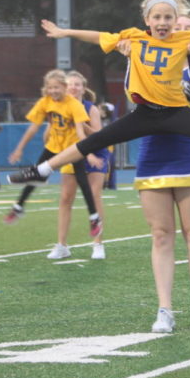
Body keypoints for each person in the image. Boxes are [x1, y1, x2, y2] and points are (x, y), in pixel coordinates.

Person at [8, 0, 190, 192]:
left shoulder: (184, 39)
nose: (162, 22)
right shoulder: (131, 37)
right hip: (145, 113)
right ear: (147, 20)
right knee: (94, 141)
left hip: (176, 111)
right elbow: (98, 37)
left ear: (175, 20)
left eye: (168, 17)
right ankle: (42, 171)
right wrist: (65, 32)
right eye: (157, 17)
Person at [135, 5, 190, 333]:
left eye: (186, 27)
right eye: (174, 24)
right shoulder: (145, 55)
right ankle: (164, 310)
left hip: (187, 152)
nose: (175, 28)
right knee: (160, 235)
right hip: (153, 152)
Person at [4, 69, 102, 259]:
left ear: (64, 88)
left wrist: (88, 154)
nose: (53, 91)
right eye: (50, 88)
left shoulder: (74, 105)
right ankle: (19, 206)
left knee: (83, 183)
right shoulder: (45, 102)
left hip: (73, 148)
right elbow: (34, 128)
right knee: (35, 174)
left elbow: (82, 134)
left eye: (57, 87)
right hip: (54, 146)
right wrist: (19, 148)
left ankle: (94, 218)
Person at [62, 71, 109, 260]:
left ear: (83, 88)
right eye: (69, 84)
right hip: (73, 155)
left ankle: (98, 244)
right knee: (66, 198)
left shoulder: (91, 108)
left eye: (76, 84)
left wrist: (81, 122)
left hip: (95, 154)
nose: (73, 87)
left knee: (94, 196)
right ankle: (62, 245)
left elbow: (98, 135)